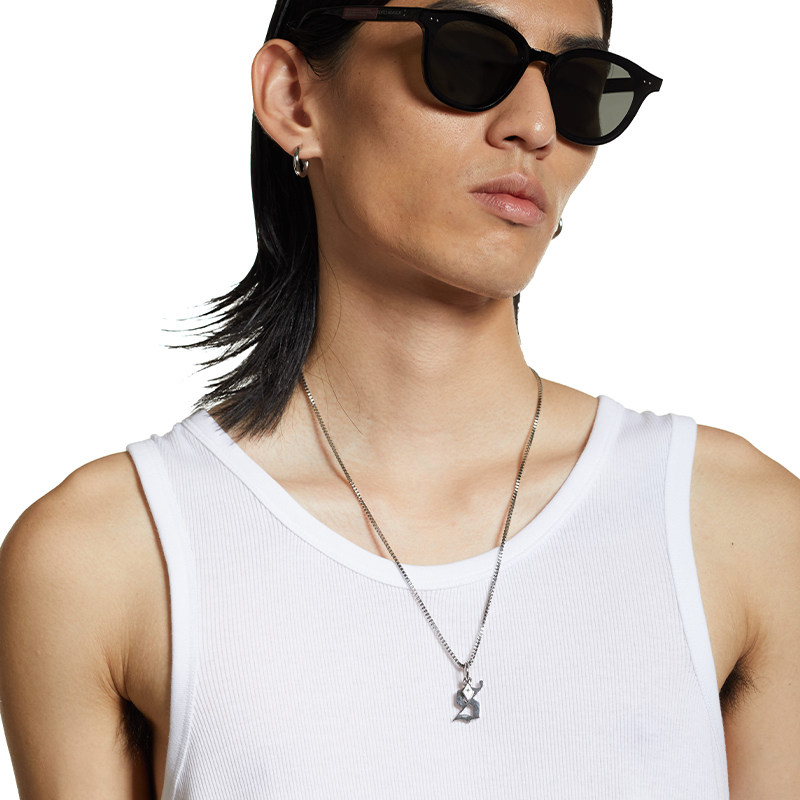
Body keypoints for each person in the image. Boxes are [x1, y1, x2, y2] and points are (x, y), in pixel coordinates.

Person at [1, 0, 798, 796]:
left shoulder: (743, 530)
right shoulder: (105, 557)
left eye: (580, 85)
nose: (536, 126)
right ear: (294, 100)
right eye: (470, 59)